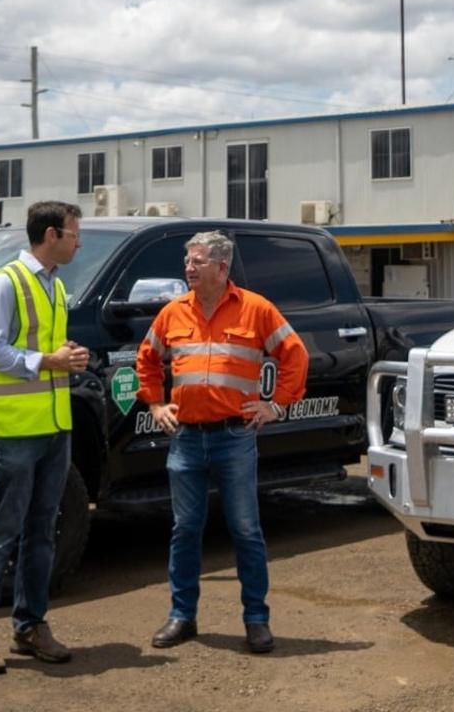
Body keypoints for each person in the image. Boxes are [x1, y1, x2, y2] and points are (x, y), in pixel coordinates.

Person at [135, 230, 309, 654]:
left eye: (197, 261)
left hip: (235, 437)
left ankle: (256, 620)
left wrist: (277, 405)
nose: (188, 268)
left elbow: (295, 354)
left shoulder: (255, 309)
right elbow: (146, 359)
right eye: (188, 260)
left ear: (221, 267)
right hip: (187, 439)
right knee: (185, 530)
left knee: (246, 531)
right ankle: (182, 617)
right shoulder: (173, 312)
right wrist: (156, 405)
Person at [0, 201, 90, 675]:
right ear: (51, 234)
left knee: (42, 532)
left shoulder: (53, 284)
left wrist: (66, 356)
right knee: (1, 533)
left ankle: (30, 625)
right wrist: (48, 361)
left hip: (54, 428)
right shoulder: (5, 283)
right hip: (14, 430)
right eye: (75, 233)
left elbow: (40, 349)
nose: (79, 241)